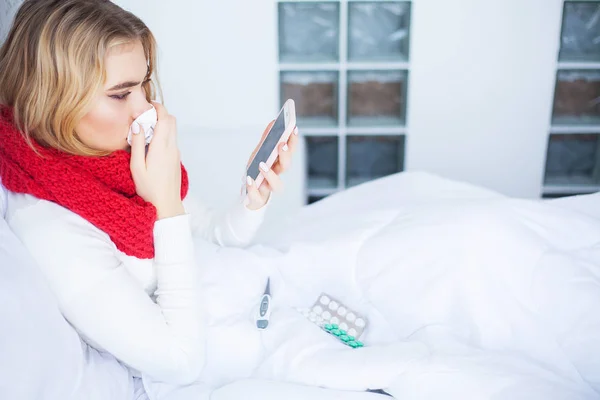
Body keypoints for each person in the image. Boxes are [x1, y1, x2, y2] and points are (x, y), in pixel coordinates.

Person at [0, 0, 298, 390]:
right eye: (120, 94)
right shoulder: (51, 228)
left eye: (143, 83)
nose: (146, 109)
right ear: (50, 100)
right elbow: (181, 362)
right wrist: (166, 203)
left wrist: (253, 196)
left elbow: (213, 232)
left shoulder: (113, 157)